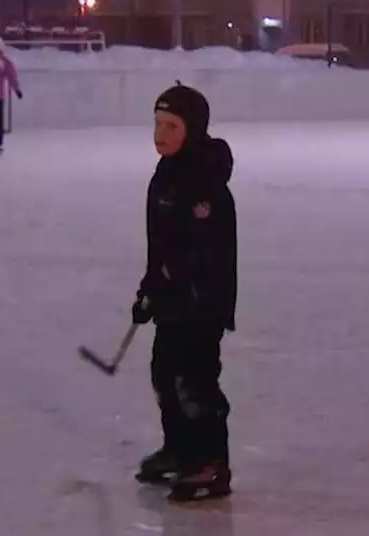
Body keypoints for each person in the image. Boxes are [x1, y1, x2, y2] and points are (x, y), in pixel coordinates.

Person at [131, 82, 237, 503]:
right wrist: (149, 289)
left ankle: (211, 462)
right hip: (173, 300)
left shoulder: (205, 183)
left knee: (195, 382)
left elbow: (209, 252)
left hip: (200, 304)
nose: (161, 134)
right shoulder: (166, 175)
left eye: (171, 125)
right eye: (157, 124)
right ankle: (180, 448)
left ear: (191, 130)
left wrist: (190, 291)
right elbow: (162, 246)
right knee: (165, 375)